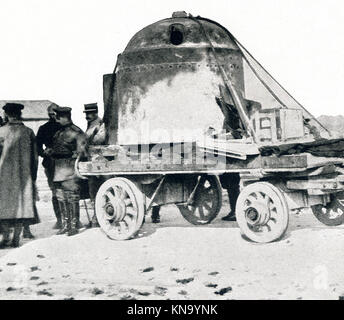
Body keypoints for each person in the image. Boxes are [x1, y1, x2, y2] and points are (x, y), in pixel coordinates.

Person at [0, 103, 40, 247]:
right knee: (21, 207)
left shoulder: (1, 132)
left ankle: (5, 238)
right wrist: (33, 176)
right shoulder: (28, 132)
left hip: (3, 177)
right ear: (19, 114)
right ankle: (16, 239)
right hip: (24, 176)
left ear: (6, 115)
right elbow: (35, 158)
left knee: (4, 206)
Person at [49, 106, 87, 236]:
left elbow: (82, 152)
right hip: (58, 168)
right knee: (61, 197)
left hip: (70, 168)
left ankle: (74, 225)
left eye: (58, 117)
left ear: (65, 117)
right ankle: (65, 225)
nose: (57, 119)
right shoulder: (59, 132)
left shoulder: (76, 132)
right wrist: (51, 152)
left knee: (71, 197)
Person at [36, 103, 63, 229]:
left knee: (62, 191)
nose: (54, 115)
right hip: (52, 163)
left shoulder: (65, 127)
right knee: (55, 191)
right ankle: (60, 220)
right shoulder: (43, 128)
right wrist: (44, 153)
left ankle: (65, 220)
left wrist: (44, 152)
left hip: (63, 162)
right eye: (52, 113)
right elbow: (37, 147)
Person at [83, 103, 106, 228]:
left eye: (90, 113)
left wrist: (86, 142)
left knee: (98, 190)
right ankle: (96, 217)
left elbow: (99, 140)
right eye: (86, 113)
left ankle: (99, 218)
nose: (87, 115)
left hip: (99, 161)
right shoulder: (91, 124)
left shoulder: (100, 124)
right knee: (93, 191)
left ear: (95, 112)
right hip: (91, 161)